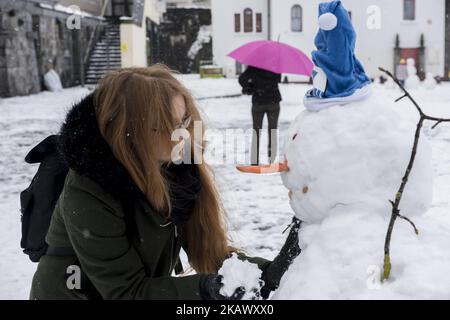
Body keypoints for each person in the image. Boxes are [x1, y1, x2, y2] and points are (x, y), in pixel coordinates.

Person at [29, 65, 297, 300]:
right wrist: (205, 289)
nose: (182, 134)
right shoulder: (89, 190)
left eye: (183, 120)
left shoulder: (176, 168)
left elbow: (208, 252)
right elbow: (127, 292)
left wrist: (267, 272)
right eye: (167, 124)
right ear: (131, 130)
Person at [239, 66, 282, 165]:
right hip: (273, 101)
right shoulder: (275, 65)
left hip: (258, 101)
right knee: (273, 131)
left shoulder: (254, 66)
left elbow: (242, 79)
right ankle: (272, 159)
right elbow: (278, 79)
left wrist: (250, 87)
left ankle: (254, 160)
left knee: (256, 131)